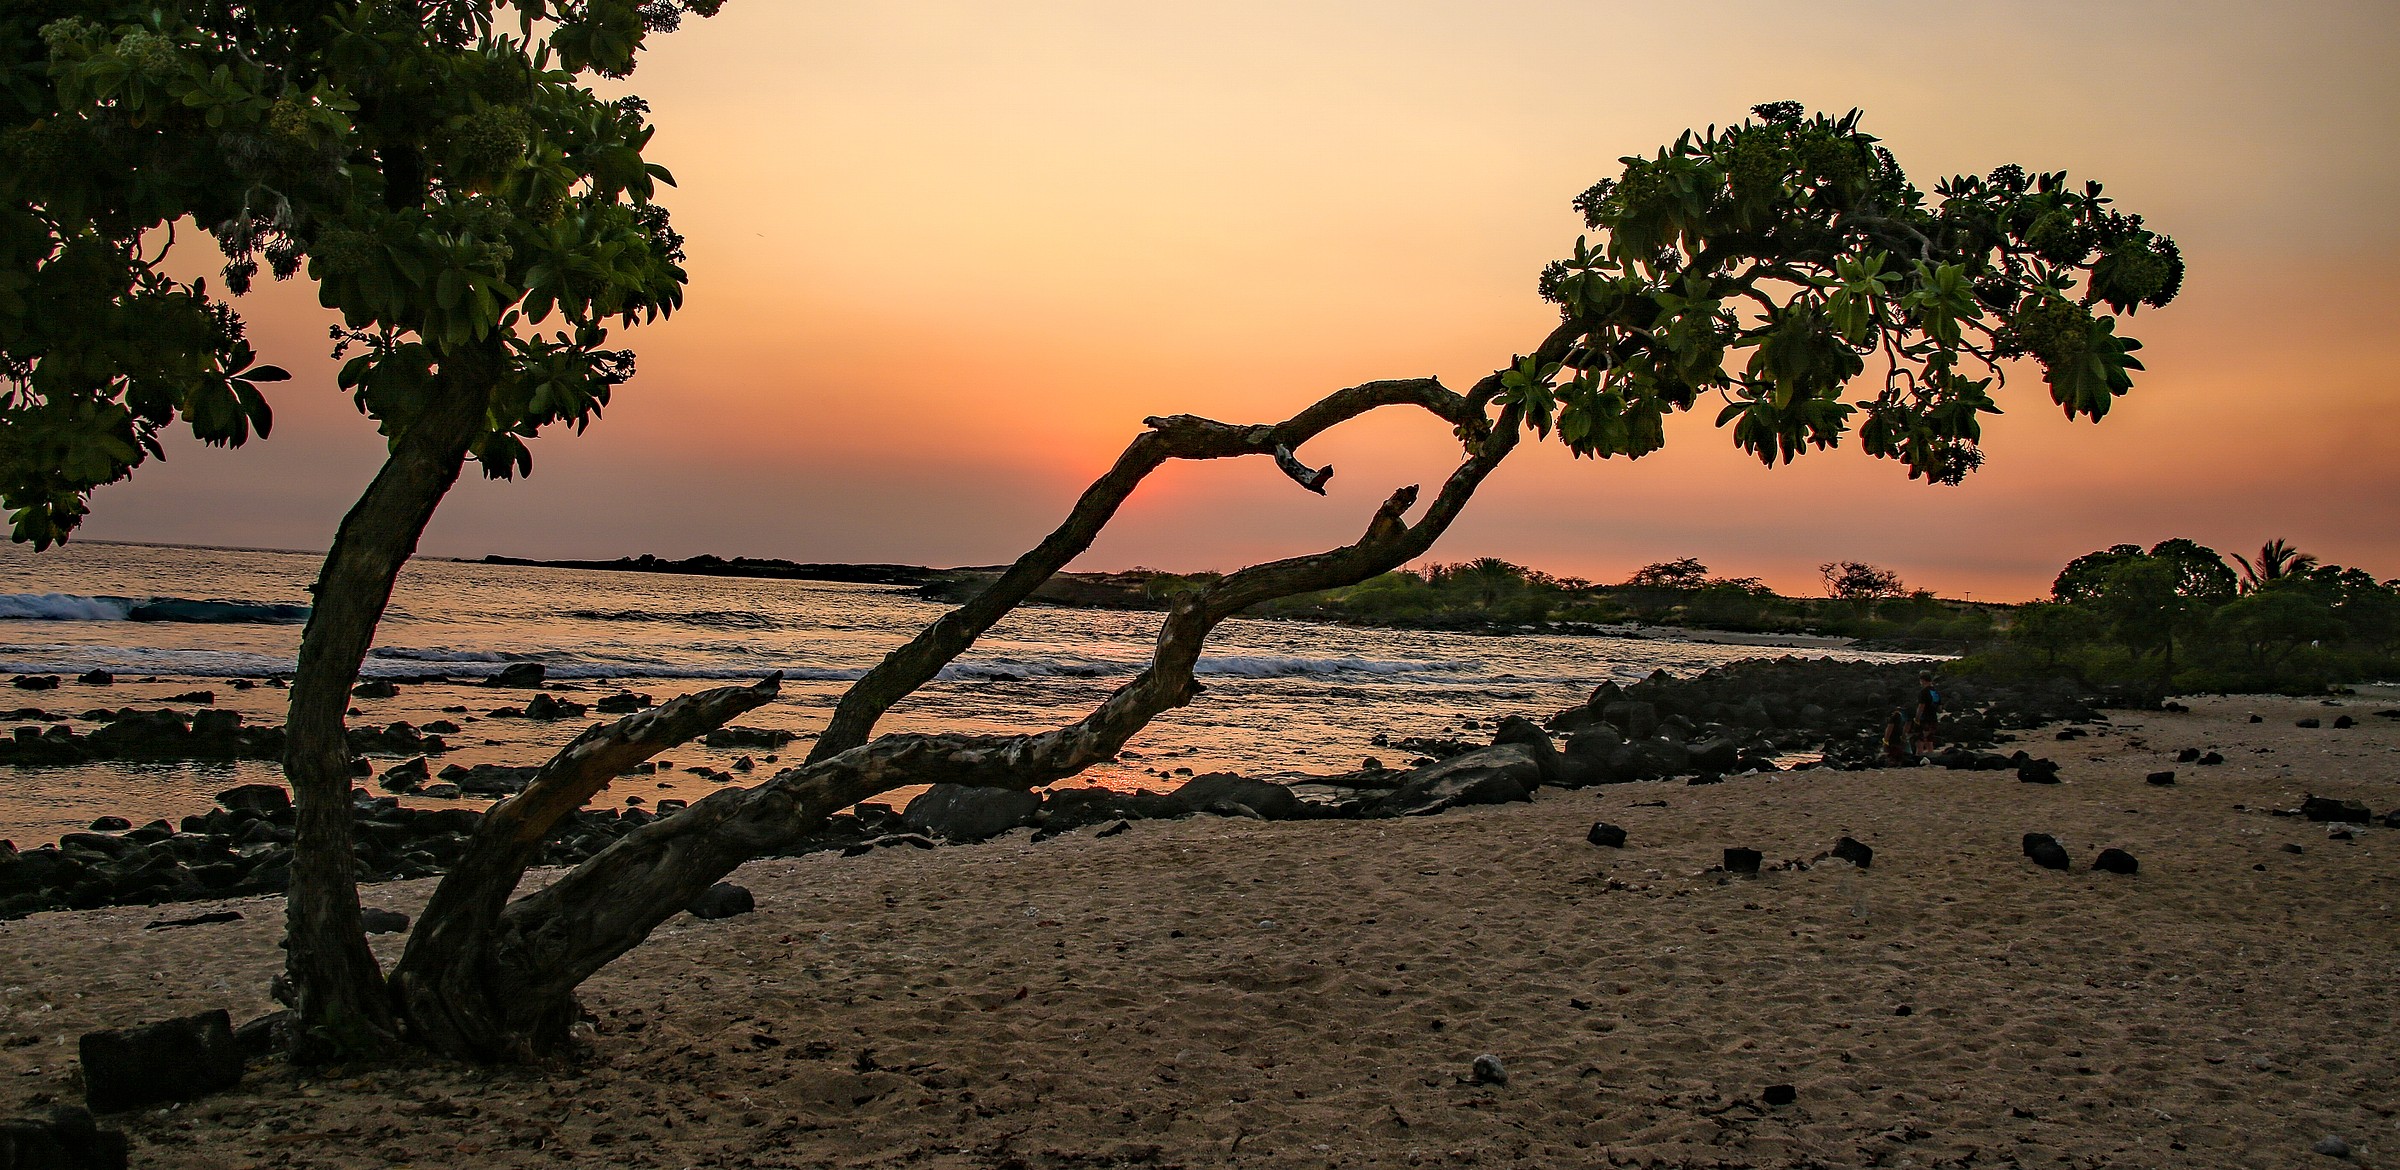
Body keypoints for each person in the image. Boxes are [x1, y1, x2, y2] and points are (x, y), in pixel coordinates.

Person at [1912, 671, 1941, 753]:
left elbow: (1921, 706)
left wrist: (1916, 719)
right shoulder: (1936, 692)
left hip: (1924, 719)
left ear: (1923, 680)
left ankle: (1919, 757)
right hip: (1933, 718)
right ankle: (1930, 755)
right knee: (1929, 740)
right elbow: (1940, 707)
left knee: (1920, 740)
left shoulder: (1923, 692)